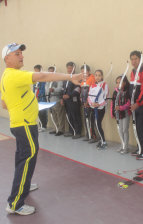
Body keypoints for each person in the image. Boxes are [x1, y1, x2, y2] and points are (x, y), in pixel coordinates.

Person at [0, 43, 82, 215]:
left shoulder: (6, 76)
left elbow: (4, 104)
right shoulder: (15, 75)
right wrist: (70, 76)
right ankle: (15, 203)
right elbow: (43, 76)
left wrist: (23, 104)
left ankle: (25, 184)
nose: (21, 56)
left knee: (23, 157)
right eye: (17, 54)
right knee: (28, 156)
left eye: (21, 53)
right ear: (7, 58)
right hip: (25, 124)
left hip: (19, 123)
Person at [88, 69, 109, 149]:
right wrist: (92, 104)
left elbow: (106, 98)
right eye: (96, 75)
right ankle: (102, 140)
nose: (97, 77)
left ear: (102, 76)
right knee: (96, 125)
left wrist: (99, 104)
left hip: (100, 109)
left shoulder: (104, 85)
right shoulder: (92, 85)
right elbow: (89, 97)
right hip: (93, 108)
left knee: (98, 124)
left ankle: (104, 142)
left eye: (99, 75)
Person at [111, 75, 131, 154]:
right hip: (118, 114)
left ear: (125, 83)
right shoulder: (116, 92)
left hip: (125, 113)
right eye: (117, 83)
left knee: (124, 130)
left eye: (121, 82)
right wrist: (112, 112)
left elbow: (129, 103)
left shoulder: (127, 91)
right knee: (120, 130)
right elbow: (113, 103)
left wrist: (121, 107)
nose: (118, 84)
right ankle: (122, 145)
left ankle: (125, 147)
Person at [62, 62, 82, 139]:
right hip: (66, 101)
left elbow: (77, 89)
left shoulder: (77, 78)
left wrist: (69, 95)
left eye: (71, 68)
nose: (69, 69)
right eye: (68, 68)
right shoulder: (66, 78)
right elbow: (63, 89)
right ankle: (71, 131)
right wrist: (62, 98)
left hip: (74, 100)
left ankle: (78, 132)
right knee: (69, 116)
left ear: (74, 68)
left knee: (75, 116)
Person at [47, 66, 66, 136]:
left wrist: (53, 89)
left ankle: (61, 129)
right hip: (50, 100)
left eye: (52, 72)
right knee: (53, 115)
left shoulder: (59, 79)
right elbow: (46, 89)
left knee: (60, 116)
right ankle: (56, 128)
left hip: (57, 100)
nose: (50, 73)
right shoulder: (48, 80)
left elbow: (60, 88)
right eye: (49, 72)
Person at [80, 64, 97, 142]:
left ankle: (93, 136)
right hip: (84, 103)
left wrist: (87, 100)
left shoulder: (92, 79)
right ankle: (88, 135)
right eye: (82, 72)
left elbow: (91, 91)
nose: (83, 73)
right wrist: (81, 98)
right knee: (86, 119)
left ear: (89, 71)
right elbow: (82, 90)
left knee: (91, 119)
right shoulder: (83, 80)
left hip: (90, 103)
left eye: (85, 72)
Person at [33, 64, 48, 132]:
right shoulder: (35, 79)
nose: (35, 72)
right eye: (35, 71)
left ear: (40, 70)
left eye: (37, 70)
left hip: (41, 98)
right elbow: (34, 89)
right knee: (38, 113)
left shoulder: (43, 79)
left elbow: (43, 89)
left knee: (42, 112)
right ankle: (41, 125)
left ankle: (44, 126)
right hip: (36, 98)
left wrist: (39, 96)